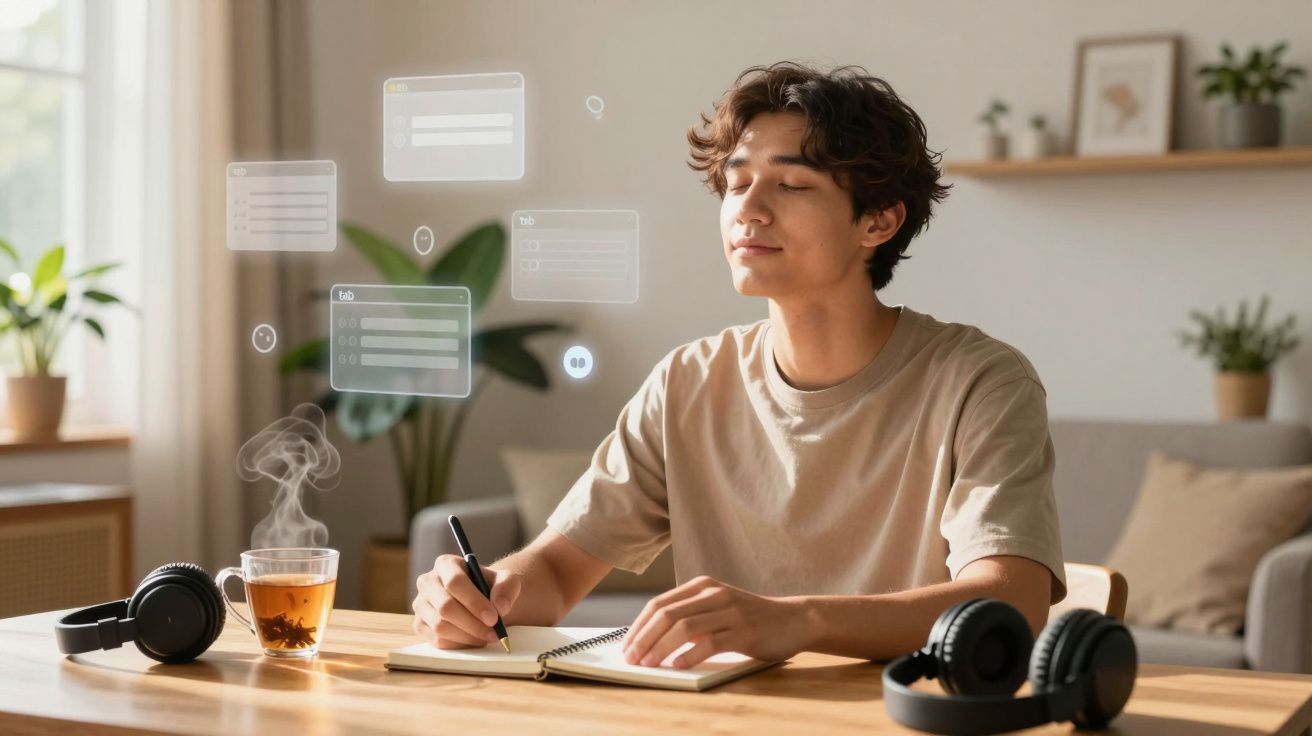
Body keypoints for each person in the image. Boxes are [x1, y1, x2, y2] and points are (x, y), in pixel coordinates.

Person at [412, 61, 1065, 669]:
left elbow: (1011, 602)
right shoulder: (687, 382)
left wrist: (798, 620)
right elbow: (554, 575)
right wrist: (485, 595)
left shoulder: (980, 381)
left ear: (878, 221)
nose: (747, 210)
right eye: (737, 182)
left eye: (790, 184)